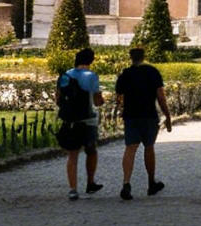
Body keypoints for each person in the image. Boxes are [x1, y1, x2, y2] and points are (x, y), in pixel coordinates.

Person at [114, 45, 174, 200]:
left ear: (131, 57)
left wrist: (121, 106)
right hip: (148, 115)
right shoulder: (152, 71)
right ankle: (151, 183)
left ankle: (126, 183)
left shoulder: (125, 74)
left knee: (130, 148)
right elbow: (160, 96)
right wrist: (167, 115)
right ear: (143, 56)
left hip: (131, 115)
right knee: (149, 147)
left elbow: (118, 96)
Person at [56, 47, 104, 200]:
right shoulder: (91, 76)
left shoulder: (65, 75)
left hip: (70, 120)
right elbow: (97, 101)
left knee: (72, 155)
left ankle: (73, 189)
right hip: (87, 119)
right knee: (91, 150)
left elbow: (58, 98)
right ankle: (90, 182)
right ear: (91, 61)